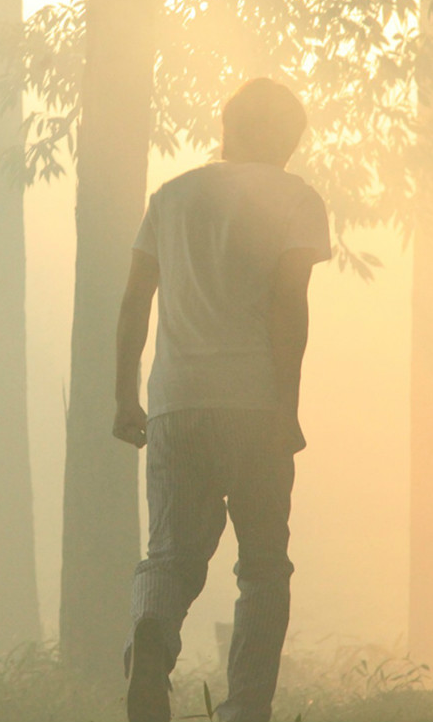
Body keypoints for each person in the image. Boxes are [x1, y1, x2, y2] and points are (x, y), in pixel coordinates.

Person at [113, 78, 331, 722]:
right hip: (255, 403)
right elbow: (290, 307)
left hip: (177, 402)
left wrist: (125, 397)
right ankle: (245, 709)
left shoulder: (172, 196)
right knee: (263, 566)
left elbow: (134, 303)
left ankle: (151, 634)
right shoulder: (298, 198)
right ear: (290, 138)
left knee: (171, 555)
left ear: (227, 128)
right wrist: (287, 406)